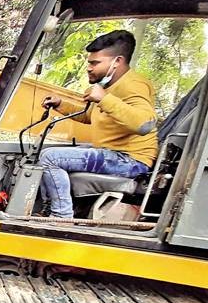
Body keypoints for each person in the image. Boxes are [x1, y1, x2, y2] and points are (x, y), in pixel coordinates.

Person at [38, 30, 158, 218]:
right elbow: (89, 116)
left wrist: (104, 99)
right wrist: (61, 105)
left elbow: (145, 124)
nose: (89, 68)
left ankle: (61, 217)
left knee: (50, 158)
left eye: (95, 63)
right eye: (89, 62)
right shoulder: (108, 86)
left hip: (130, 160)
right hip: (112, 153)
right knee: (45, 152)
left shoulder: (134, 84)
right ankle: (48, 209)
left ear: (117, 61)